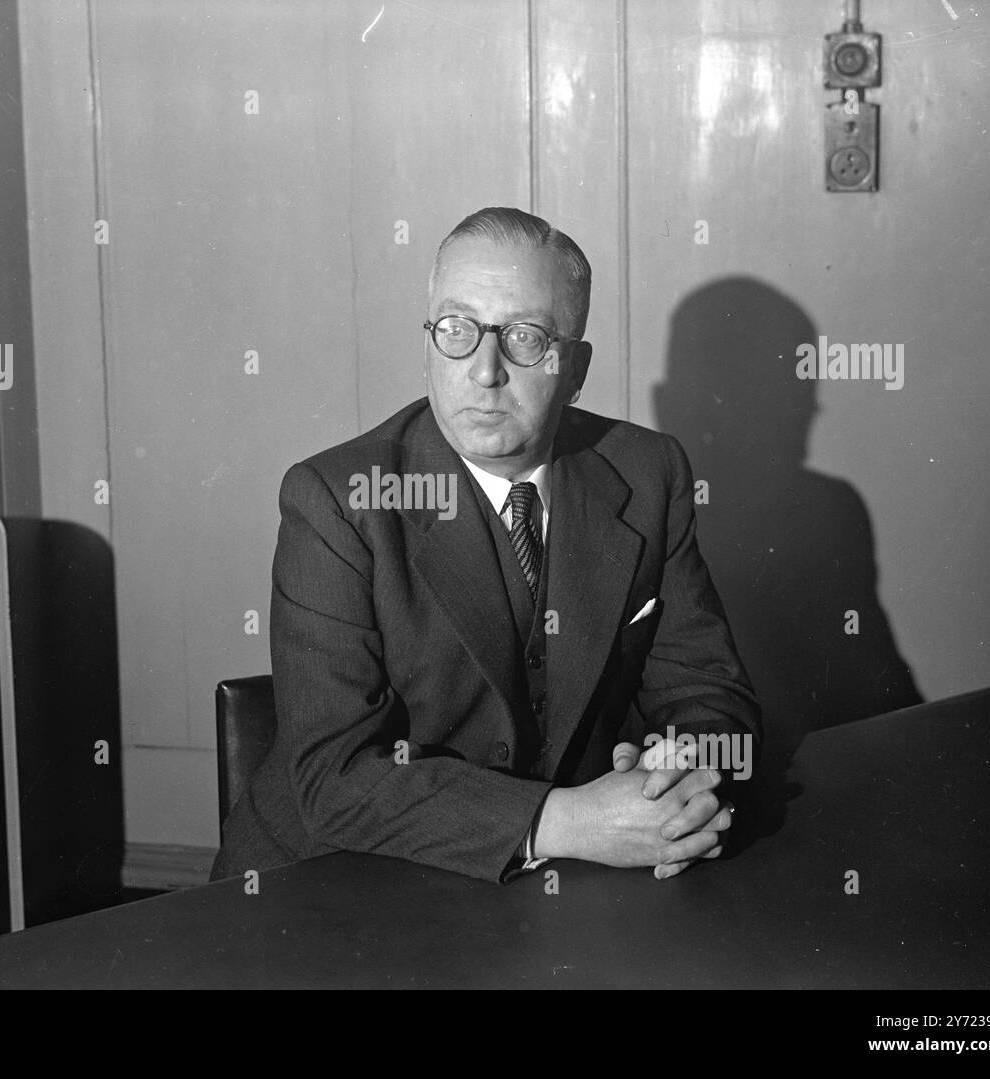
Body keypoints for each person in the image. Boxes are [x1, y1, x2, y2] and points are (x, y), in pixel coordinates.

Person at [211, 207, 761, 885]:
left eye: (526, 337)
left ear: (576, 368)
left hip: (548, 892)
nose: (485, 370)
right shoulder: (337, 499)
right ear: (427, 345)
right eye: (457, 330)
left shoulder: (650, 474)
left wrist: (679, 781)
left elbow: (708, 692)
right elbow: (335, 781)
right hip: (332, 885)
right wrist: (564, 820)